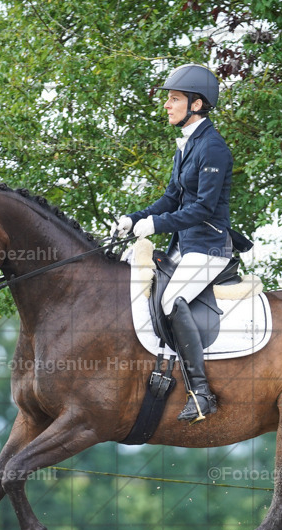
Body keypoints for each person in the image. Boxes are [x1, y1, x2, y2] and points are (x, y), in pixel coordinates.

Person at [114, 64, 252, 423]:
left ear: (196, 104)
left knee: (172, 300)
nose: (167, 105)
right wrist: (134, 218)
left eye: (174, 99)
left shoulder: (213, 149)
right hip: (184, 245)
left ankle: (202, 392)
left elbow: (202, 208)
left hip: (209, 247)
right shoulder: (187, 147)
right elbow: (171, 198)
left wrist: (155, 224)